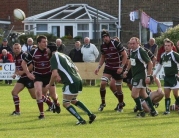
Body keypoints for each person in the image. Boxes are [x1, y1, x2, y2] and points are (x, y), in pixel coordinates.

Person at [46, 42, 96, 125]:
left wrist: (50, 84)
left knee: (66, 103)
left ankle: (81, 120)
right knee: (73, 100)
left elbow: (54, 74)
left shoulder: (54, 57)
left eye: (47, 49)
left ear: (50, 49)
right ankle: (91, 115)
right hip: (78, 79)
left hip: (71, 81)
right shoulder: (64, 55)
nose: (46, 51)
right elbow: (76, 69)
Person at [21, 35, 60, 119]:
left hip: (49, 75)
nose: (45, 43)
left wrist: (57, 74)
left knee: (53, 96)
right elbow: (23, 63)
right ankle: (42, 114)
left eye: (46, 42)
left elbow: (57, 62)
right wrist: (28, 73)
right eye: (43, 42)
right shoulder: (33, 52)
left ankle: (56, 103)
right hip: (38, 75)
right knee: (38, 92)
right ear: (38, 43)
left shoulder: (49, 51)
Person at [11, 43, 54, 115]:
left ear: (21, 48)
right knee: (14, 92)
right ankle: (17, 111)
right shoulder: (15, 56)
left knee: (35, 96)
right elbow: (17, 66)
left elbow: (31, 66)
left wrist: (23, 72)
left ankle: (51, 104)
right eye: (15, 48)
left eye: (17, 48)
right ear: (13, 49)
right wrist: (15, 73)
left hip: (29, 78)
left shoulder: (23, 55)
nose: (16, 49)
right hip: (22, 78)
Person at [123, 37, 158, 117]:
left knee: (134, 94)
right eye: (130, 43)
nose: (132, 45)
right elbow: (130, 62)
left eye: (133, 43)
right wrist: (126, 71)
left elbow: (150, 63)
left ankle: (141, 112)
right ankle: (153, 111)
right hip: (136, 75)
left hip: (141, 76)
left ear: (138, 43)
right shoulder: (132, 51)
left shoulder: (141, 51)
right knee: (144, 94)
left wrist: (148, 76)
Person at [94, 30, 127, 112]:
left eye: (106, 36)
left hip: (117, 68)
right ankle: (103, 103)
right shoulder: (102, 46)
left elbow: (125, 55)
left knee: (119, 88)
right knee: (103, 83)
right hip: (108, 67)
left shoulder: (116, 43)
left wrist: (121, 67)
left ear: (109, 36)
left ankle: (120, 106)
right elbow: (103, 57)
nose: (105, 38)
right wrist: (98, 67)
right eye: (103, 37)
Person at [153, 39, 179, 115]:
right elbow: (160, 66)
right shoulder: (163, 55)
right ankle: (167, 110)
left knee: (175, 93)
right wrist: (155, 74)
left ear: (172, 46)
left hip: (174, 77)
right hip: (167, 77)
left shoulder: (174, 55)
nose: (166, 47)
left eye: (168, 46)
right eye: (165, 45)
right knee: (167, 94)